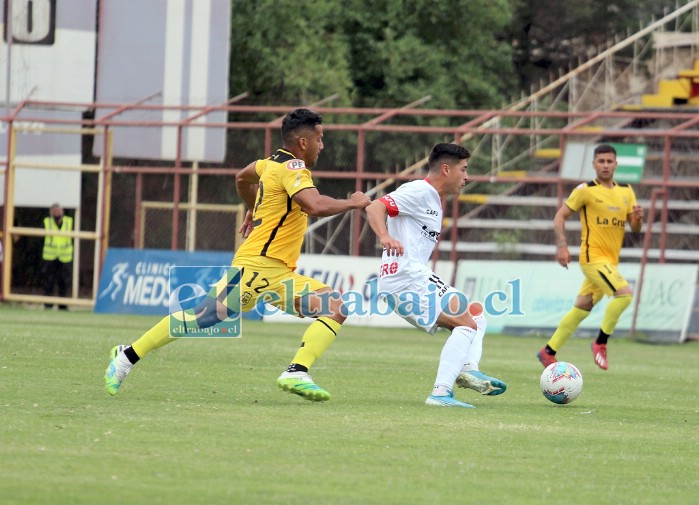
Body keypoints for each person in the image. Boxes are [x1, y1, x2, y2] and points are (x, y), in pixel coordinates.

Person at [104, 108, 371, 400]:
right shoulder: (293, 167)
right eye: (319, 138)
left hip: (278, 273)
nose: (322, 145)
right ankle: (125, 357)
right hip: (257, 265)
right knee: (202, 318)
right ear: (304, 143)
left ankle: (297, 370)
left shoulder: (268, 163)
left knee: (335, 306)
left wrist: (252, 208)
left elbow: (242, 178)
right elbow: (314, 205)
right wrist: (353, 203)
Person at [365, 142, 507, 408]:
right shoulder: (419, 190)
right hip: (407, 278)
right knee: (466, 322)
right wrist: (384, 236)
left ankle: (467, 369)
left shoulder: (433, 201)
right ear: (446, 169)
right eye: (463, 170)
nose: (467, 177)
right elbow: (374, 207)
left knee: (475, 315)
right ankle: (441, 392)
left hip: (407, 279)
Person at [537, 144, 643, 370]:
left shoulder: (626, 191)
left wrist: (638, 219)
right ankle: (600, 343)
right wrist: (562, 246)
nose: (605, 165)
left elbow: (634, 229)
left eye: (609, 161)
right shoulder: (585, 190)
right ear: (594, 164)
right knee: (624, 295)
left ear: (616, 164)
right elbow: (559, 217)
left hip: (610, 262)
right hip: (592, 258)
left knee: (582, 307)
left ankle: (548, 351)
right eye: (601, 161)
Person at [42, 203, 73, 310]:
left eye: (58, 211)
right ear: (51, 212)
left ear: (62, 211)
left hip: (65, 257)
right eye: (54, 211)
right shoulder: (46, 222)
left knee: (64, 282)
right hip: (50, 256)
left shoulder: (69, 222)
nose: (57, 213)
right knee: (49, 281)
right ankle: (48, 305)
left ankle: (63, 306)